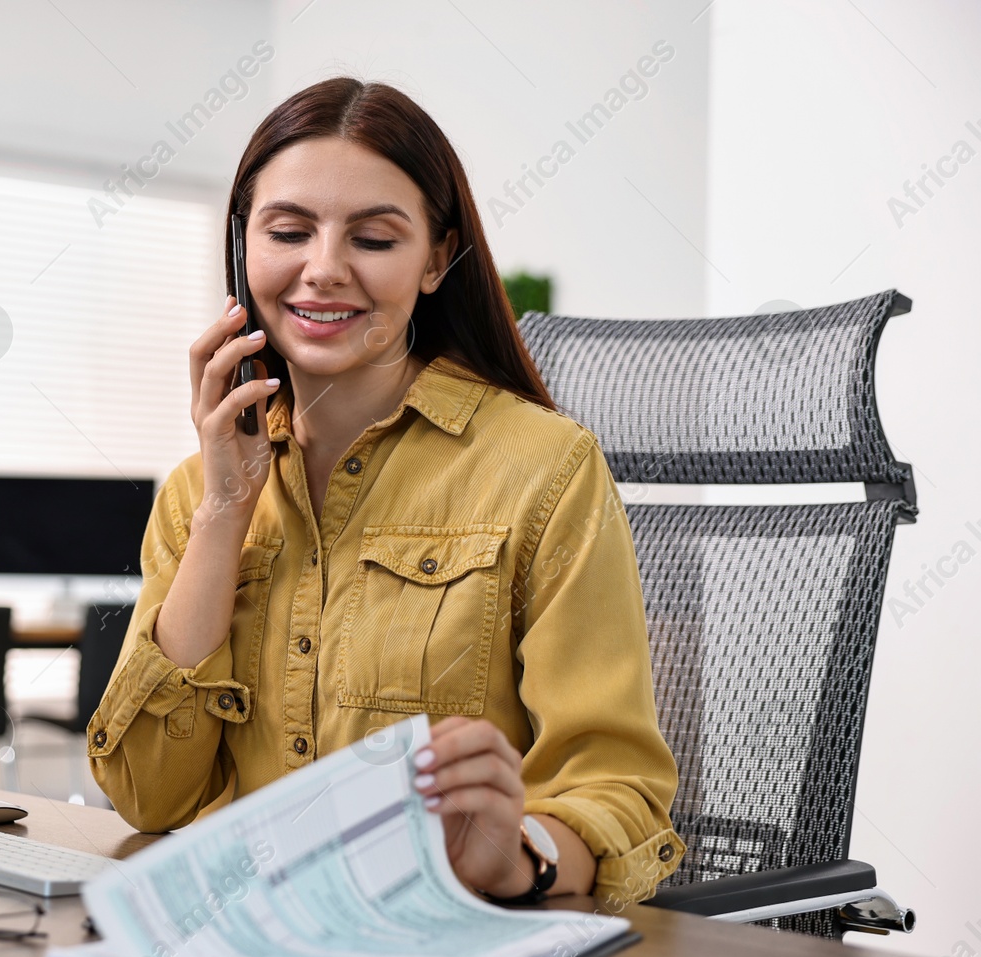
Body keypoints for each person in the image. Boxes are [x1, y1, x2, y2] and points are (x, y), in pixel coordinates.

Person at [86, 77, 685, 910]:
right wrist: (225, 512)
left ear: (436, 259)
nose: (323, 270)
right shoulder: (199, 490)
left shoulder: (546, 471)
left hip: (441, 951)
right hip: (243, 948)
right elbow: (149, 794)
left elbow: (615, 786)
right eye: (289, 231)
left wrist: (513, 856)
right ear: (241, 248)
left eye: (372, 239)